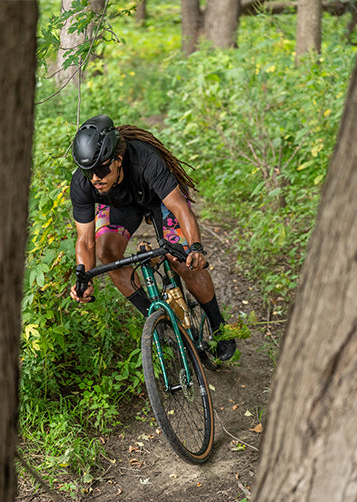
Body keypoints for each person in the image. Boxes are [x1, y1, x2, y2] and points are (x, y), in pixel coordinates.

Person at [67, 114, 237, 362]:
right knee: (106, 253)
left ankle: (219, 326)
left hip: (160, 199)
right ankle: (158, 321)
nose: (95, 178)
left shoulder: (146, 159)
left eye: (101, 169)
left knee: (183, 259)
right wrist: (84, 278)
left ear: (118, 160)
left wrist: (196, 247)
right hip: (122, 205)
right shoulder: (84, 183)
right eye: (87, 171)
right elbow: (85, 240)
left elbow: (180, 208)